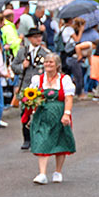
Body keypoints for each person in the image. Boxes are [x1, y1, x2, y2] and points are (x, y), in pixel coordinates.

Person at [28, 53, 76, 184]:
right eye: (46, 62)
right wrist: (30, 104)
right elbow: (31, 96)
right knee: (41, 140)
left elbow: (68, 98)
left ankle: (58, 171)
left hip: (59, 114)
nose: (48, 64)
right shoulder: (38, 79)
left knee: (60, 142)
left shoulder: (64, 80)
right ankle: (42, 173)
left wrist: (67, 113)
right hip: (42, 114)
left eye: (51, 62)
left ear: (57, 65)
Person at [12, 27, 49, 150]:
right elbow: (14, 67)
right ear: (29, 39)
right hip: (26, 87)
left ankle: (39, 137)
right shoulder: (23, 51)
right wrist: (22, 66)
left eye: (40, 36)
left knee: (40, 113)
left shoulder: (45, 53)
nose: (38, 39)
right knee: (25, 113)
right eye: (35, 37)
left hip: (40, 87)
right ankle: (27, 139)